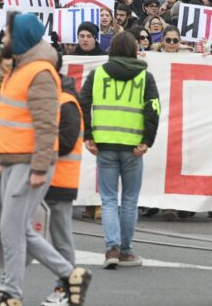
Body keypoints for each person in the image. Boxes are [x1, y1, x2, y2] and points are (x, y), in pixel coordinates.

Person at [0, 12, 92, 306]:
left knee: (11, 228)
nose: (3, 38)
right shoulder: (22, 68)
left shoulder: (39, 72)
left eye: (7, 33)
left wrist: (40, 167)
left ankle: (14, 290)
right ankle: (65, 276)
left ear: (21, 37)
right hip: (15, 160)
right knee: (18, 228)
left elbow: (46, 125)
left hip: (29, 162)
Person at [80, 31, 160, 269]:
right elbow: (153, 109)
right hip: (133, 147)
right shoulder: (145, 77)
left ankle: (111, 249)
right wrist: (147, 140)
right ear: (134, 49)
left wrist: (88, 135)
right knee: (129, 200)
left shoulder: (98, 74)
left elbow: (82, 103)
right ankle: (126, 251)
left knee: (107, 199)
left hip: (104, 145)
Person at [40, 69, 84, 306]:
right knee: (53, 238)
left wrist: (38, 140)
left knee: (61, 239)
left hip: (59, 180)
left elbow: (66, 142)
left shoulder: (66, 103)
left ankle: (66, 287)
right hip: (50, 178)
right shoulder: (58, 100)